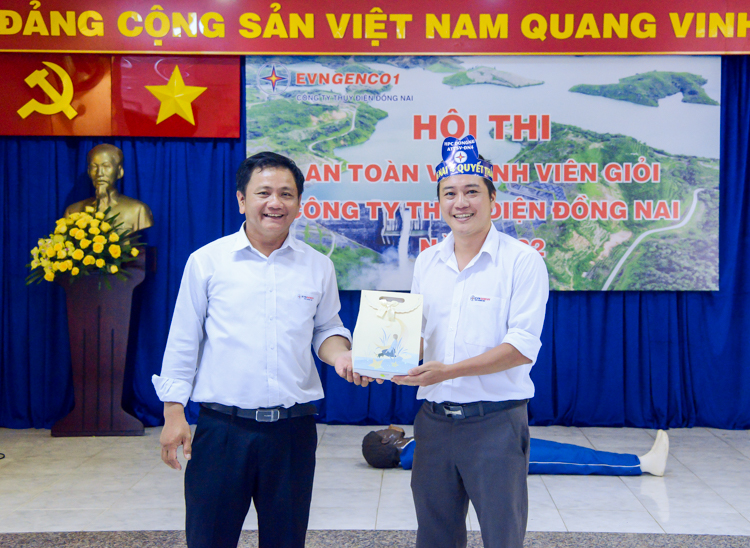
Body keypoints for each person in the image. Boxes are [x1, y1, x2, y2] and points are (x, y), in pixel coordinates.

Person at [152, 151, 369, 548]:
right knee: (209, 540)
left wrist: (341, 355)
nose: (275, 203)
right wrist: (173, 413)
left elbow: (327, 328)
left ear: (299, 203)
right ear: (241, 200)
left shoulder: (318, 266)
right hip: (222, 430)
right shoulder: (208, 262)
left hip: (292, 433)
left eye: (286, 194)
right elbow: (183, 340)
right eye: (263, 192)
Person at [392, 135, 549, 548]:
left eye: (472, 191)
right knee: (435, 537)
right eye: (450, 193)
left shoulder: (522, 262)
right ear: (439, 202)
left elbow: (521, 347)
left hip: (494, 424)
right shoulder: (428, 261)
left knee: (502, 537)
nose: (460, 203)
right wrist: (385, 358)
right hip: (433, 424)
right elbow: (418, 336)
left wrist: (448, 371)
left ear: (493, 198)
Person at [362, 426, 670, 477]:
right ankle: (641, 464)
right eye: (383, 433)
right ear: (387, 442)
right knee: (573, 459)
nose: (389, 428)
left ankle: (640, 463)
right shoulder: (416, 452)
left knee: (568, 452)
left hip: (498, 444)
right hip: (502, 455)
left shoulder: (414, 449)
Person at [65, 143, 153, 233]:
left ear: (119, 172)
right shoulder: (73, 211)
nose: (99, 173)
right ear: (89, 171)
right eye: (94, 167)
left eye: (106, 166)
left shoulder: (138, 210)